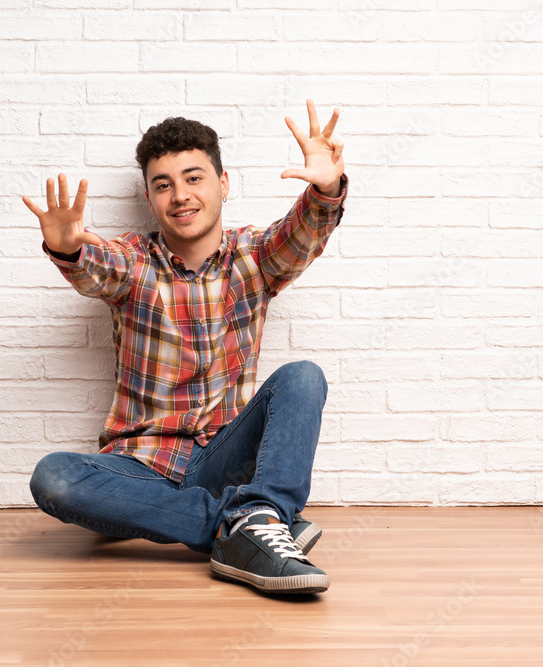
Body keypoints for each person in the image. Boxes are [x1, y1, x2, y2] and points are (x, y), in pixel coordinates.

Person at [23, 100, 348, 595]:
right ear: (151, 200)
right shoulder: (133, 261)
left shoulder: (255, 256)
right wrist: (68, 247)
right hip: (141, 469)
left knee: (303, 376)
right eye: (163, 184)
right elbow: (94, 265)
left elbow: (301, 233)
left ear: (223, 182)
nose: (180, 195)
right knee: (55, 479)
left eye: (194, 178)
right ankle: (253, 522)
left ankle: (252, 516)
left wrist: (324, 189)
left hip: (223, 460)